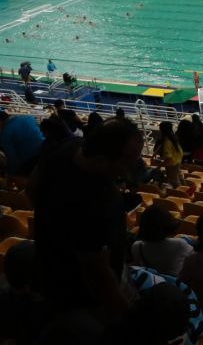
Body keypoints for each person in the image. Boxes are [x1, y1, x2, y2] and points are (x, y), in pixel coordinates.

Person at [28, 119, 145, 313]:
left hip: (49, 263)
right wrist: (125, 315)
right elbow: (98, 273)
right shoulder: (100, 202)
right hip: (80, 294)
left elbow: (31, 188)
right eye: (126, 162)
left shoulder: (66, 148)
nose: (132, 168)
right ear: (100, 160)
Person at [131, 204, 194, 277]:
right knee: (185, 238)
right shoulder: (179, 244)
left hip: (153, 282)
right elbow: (193, 258)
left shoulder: (137, 246)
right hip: (174, 285)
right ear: (167, 223)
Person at [0, 109, 44, 176]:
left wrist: (12, 175)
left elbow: (11, 157)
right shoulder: (29, 118)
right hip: (46, 150)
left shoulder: (5, 133)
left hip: (30, 161)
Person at [154, 121, 183, 188]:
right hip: (178, 159)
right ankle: (184, 189)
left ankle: (180, 193)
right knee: (178, 176)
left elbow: (169, 159)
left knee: (173, 180)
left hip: (173, 163)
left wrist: (159, 166)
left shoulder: (167, 141)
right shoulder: (172, 136)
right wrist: (157, 150)